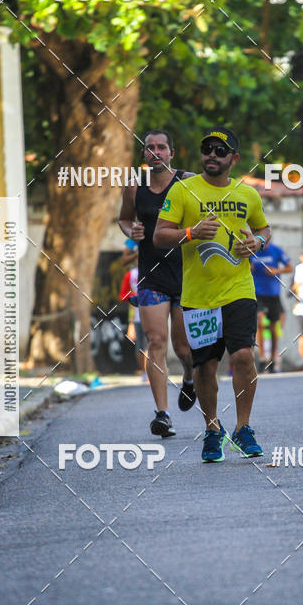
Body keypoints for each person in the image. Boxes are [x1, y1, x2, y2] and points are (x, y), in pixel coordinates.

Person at [153, 126, 271, 462]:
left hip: (238, 288)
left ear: (233, 158)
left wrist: (259, 242)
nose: (212, 156)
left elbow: (263, 227)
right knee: (205, 366)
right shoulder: (183, 191)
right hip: (198, 295)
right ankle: (212, 429)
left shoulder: (247, 194)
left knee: (244, 356)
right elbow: (159, 236)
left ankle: (243, 428)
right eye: (208, 150)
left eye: (221, 151)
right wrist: (190, 232)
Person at [118, 130, 196, 437]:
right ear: (143, 155)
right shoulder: (135, 187)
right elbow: (123, 218)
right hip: (151, 274)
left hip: (187, 274)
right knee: (156, 342)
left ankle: (189, 375)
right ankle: (162, 414)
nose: (155, 152)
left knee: (184, 347)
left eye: (161, 147)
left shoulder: (188, 182)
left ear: (171, 153)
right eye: (149, 148)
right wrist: (131, 231)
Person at [250, 240, 292, 372]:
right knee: (260, 323)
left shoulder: (276, 250)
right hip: (258, 293)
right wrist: (249, 267)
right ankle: (262, 358)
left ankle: (273, 357)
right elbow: (246, 265)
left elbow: (290, 267)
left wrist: (276, 271)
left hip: (273, 293)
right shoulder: (252, 250)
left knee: (274, 328)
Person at [119, 265, 147, 380]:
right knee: (140, 345)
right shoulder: (130, 275)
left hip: (153, 312)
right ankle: (144, 371)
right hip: (136, 316)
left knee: (152, 343)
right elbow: (122, 296)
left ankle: (152, 370)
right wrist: (135, 296)